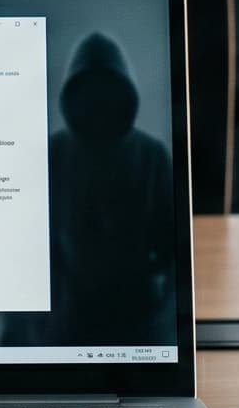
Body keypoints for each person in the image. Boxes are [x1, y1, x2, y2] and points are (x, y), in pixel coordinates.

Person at [40, 31, 178, 343]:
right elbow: (35, 251)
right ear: (73, 96)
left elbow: (173, 253)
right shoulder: (54, 155)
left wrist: (166, 321)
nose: (99, 104)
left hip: (139, 323)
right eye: (90, 93)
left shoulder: (150, 156)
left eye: (107, 92)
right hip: (69, 324)